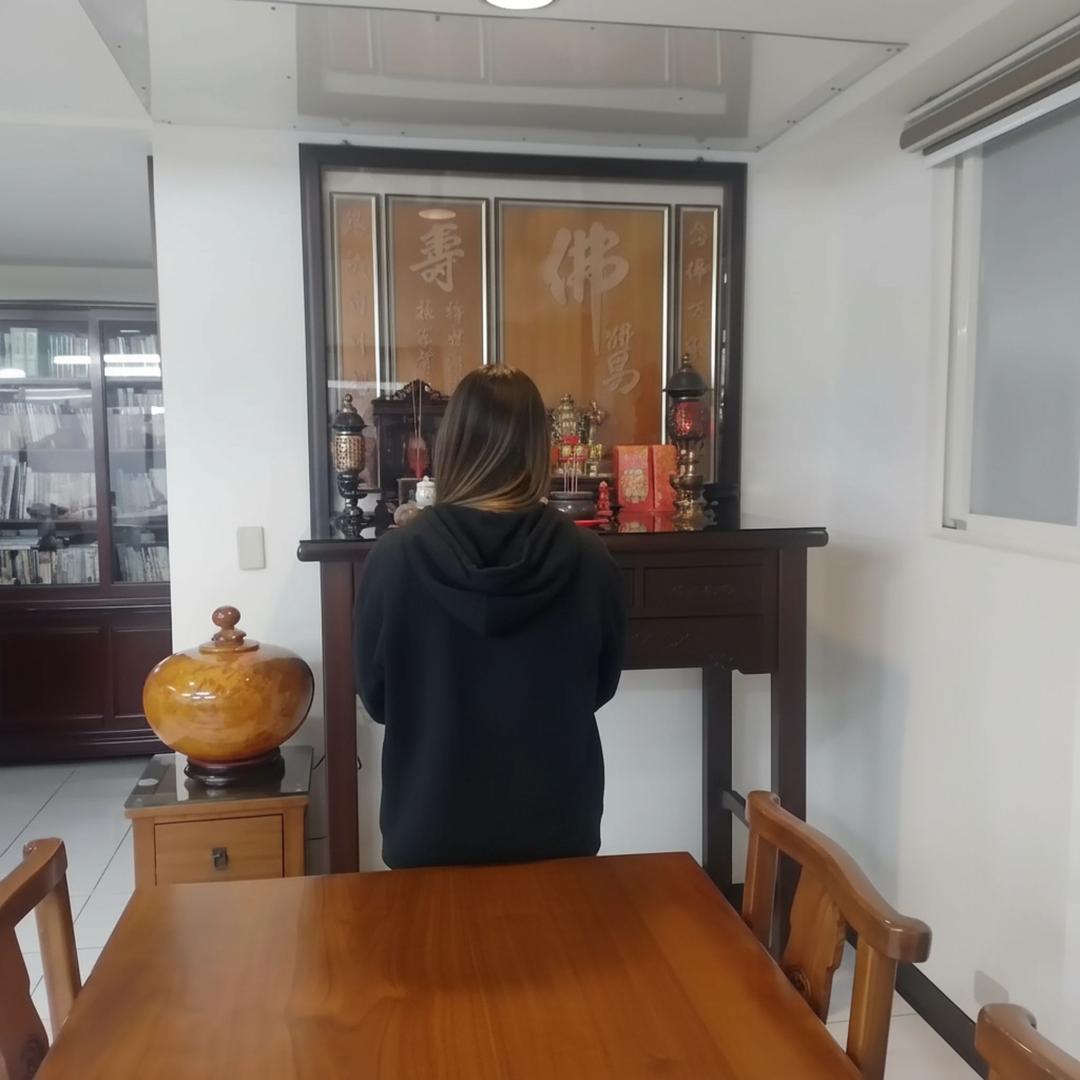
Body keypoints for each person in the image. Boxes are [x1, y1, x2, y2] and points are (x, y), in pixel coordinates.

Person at [354, 367, 626, 869]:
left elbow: (377, 697)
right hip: (558, 831)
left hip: (427, 831)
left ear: (451, 444)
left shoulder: (395, 559)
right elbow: (601, 685)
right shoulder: (588, 558)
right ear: (539, 447)